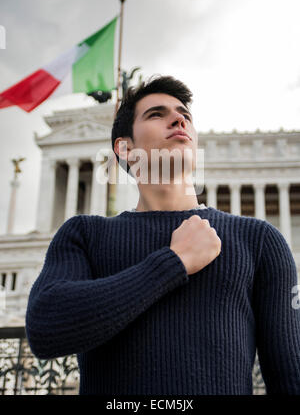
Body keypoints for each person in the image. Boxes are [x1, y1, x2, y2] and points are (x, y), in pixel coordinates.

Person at [25, 75, 300, 395]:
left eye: (185, 114)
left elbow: (290, 375)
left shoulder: (259, 240)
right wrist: (174, 262)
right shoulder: (86, 235)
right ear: (125, 148)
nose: (179, 118)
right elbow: (46, 329)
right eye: (156, 114)